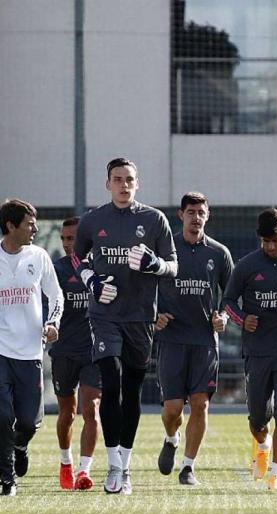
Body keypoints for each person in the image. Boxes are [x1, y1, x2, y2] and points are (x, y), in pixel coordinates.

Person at [73, 157, 178, 495]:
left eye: (129, 179)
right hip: (104, 316)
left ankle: (126, 465)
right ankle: (113, 466)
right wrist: (91, 281)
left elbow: (173, 267)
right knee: (111, 381)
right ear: (108, 184)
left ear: (137, 183)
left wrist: (155, 264)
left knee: (131, 390)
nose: (123, 184)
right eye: (117, 179)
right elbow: (78, 257)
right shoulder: (93, 220)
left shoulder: (154, 219)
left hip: (141, 317)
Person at [154, 192, 232, 486]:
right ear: (181, 215)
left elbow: (233, 294)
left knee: (200, 404)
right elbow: (145, 286)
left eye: (201, 212)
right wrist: (155, 314)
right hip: (172, 339)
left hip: (204, 341)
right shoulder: (165, 249)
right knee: (172, 409)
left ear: (207, 215)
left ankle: (188, 467)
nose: (196, 217)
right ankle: (171, 437)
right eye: (191, 212)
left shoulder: (219, 253)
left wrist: (223, 316)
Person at [224, 208, 277, 491]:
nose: (271, 246)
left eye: (276, 240)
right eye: (266, 241)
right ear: (259, 239)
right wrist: (243, 319)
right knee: (258, 416)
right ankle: (262, 445)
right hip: (257, 351)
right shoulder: (246, 266)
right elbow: (228, 301)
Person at [0, 199, 62, 496]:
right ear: (11, 226)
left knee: (28, 422)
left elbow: (56, 295)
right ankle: (7, 478)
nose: (35, 228)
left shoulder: (39, 256)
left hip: (30, 353)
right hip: (0, 351)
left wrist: (53, 323)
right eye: (29, 223)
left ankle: (21, 445)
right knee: (2, 417)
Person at [50, 216, 101, 490]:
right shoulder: (55, 270)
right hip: (64, 351)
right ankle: (65, 461)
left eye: (75, 238)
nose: (70, 244)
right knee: (67, 414)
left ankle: (84, 471)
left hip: (93, 351)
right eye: (66, 239)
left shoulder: (100, 268)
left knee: (91, 409)